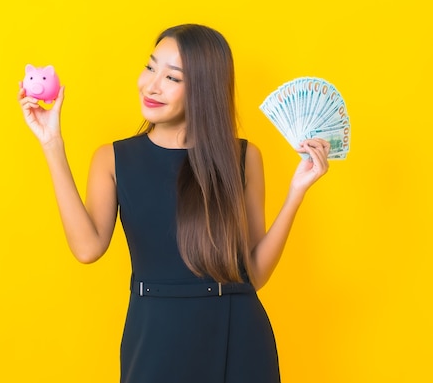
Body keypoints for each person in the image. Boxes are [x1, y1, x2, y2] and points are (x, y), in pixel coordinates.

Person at [18, 23, 330, 383]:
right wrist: (51, 143)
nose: (151, 85)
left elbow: (253, 274)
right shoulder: (113, 159)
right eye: (151, 68)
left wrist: (295, 194)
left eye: (173, 78)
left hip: (239, 336)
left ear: (203, 89)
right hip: (155, 337)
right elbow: (87, 248)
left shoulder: (243, 157)